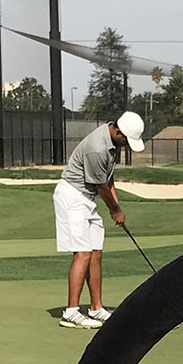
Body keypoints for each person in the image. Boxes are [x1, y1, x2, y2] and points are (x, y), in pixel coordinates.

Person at [54, 111, 145, 329]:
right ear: (118, 131)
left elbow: (109, 179)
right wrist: (114, 210)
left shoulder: (114, 145)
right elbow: (100, 185)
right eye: (126, 140)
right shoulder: (97, 147)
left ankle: (96, 308)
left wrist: (118, 207)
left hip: (86, 198)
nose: (126, 144)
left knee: (95, 252)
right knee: (83, 253)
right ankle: (71, 312)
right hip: (72, 196)